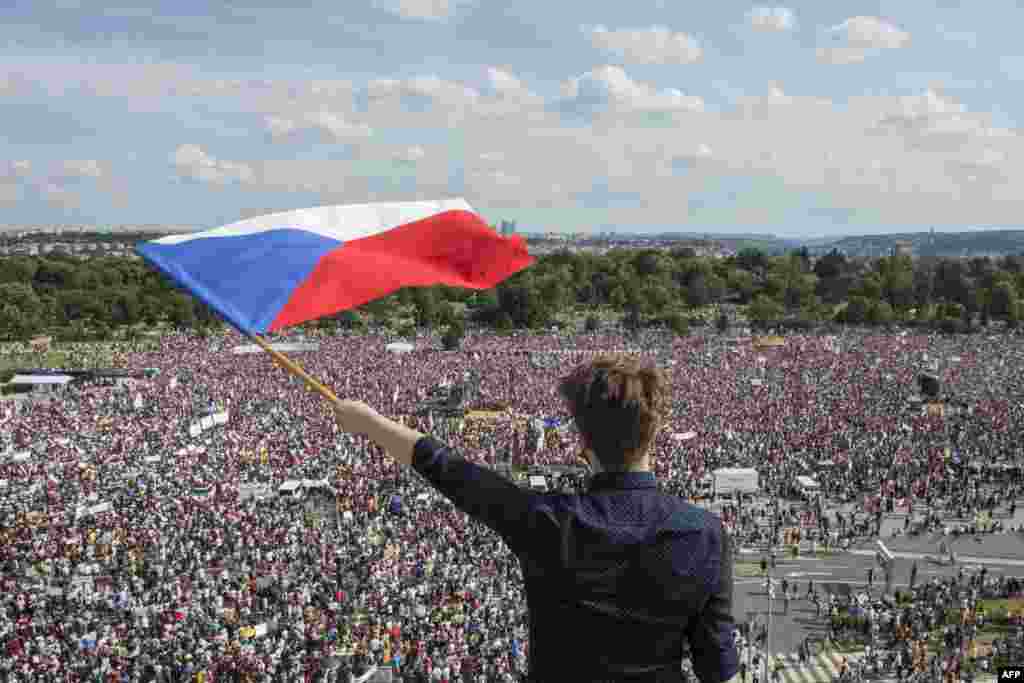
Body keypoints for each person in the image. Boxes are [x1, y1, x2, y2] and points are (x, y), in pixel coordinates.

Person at [334, 354, 739, 682]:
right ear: (655, 432)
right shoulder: (704, 535)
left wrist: (368, 421)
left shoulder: (547, 521)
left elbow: (451, 470)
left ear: (583, 441)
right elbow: (717, 668)